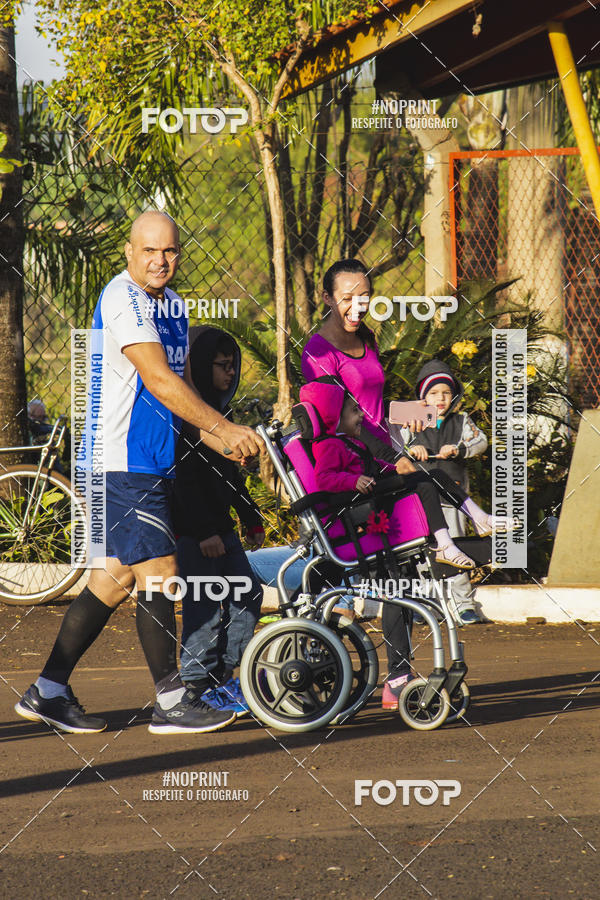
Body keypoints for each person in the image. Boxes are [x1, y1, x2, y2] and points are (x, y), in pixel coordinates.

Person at [15, 210, 262, 735]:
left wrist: (225, 439)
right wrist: (222, 425)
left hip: (153, 462)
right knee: (161, 573)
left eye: (169, 250)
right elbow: (156, 378)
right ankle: (171, 702)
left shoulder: (174, 306)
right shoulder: (122, 297)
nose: (159, 260)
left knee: (113, 579)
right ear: (130, 252)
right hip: (122, 462)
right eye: (149, 250)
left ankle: (47, 690)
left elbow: (183, 391)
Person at [300, 259, 509, 710]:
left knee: (400, 572)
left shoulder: (367, 337)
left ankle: (396, 678)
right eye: (347, 297)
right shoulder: (318, 352)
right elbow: (336, 422)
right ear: (327, 298)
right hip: (360, 465)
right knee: (394, 568)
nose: (358, 306)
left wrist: (424, 415)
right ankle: (392, 676)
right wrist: (392, 456)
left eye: (365, 296)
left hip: (385, 450)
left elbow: (377, 409)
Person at [171, 326, 264, 715]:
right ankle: (195, 686)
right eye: (221, 365)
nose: (230, 372)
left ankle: (222, 676)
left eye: (232, 365)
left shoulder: (219, 416)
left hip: (221, 530)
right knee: (206, 608)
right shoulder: (185, 418)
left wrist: (249, 515)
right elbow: (183, 481)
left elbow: (230, 476)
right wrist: (204, 532)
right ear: (199, 366)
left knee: (248, 594)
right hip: (196, 534)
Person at [403, 359, 489, 625]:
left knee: (457, 547)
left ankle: (464, 605)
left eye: (446, 393)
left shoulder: (461, 421)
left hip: (453, 499)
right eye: (433, 393)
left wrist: (459, 449)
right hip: (420, 500)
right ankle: (430, 605)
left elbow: (480, 441)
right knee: (424, 552)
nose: (440, 399)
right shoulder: (411, 420)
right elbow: (394, 444)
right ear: (422, 397)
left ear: (454, 396)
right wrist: (411, 450)